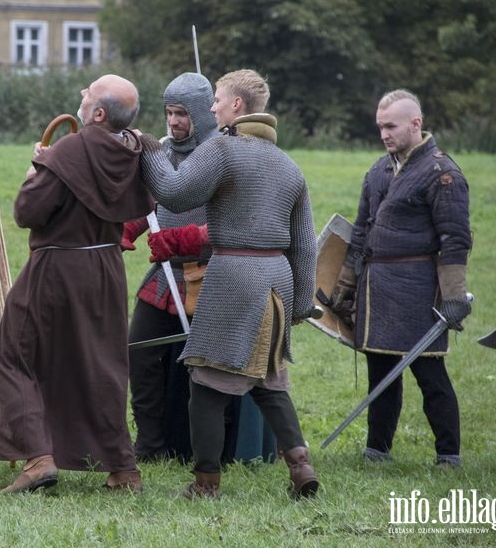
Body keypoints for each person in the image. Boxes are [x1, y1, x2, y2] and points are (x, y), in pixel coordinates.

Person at [140, 69, 320, 499]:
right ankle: (301, 467)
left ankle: (206, 483)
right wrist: (298, 303)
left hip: (234, 275)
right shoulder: (288, 164)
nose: (213, 108)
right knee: (270, 382)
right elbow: (305, 247)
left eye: (217, 100)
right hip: (276, 280)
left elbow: (174, 191)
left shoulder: (223, 148)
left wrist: (150, 152)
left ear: (237, 106)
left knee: (205, 385)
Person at [0, 74, 154, 493]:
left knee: (12, 355)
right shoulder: (135, 147)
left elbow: (28, 211)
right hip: (106, 269)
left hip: (57, 268)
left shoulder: (71, 149)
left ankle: (39, 458)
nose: (81, 94)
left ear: (98, 114)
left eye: (89, 93)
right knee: (102, 365)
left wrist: (36, 170)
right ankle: (123, 469)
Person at [124, 72, 275, 465]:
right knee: (139, 353)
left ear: (202, 114)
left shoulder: (224, 153)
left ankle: (203, 451)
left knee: (207, 372)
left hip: (214, 277)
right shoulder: (163, 154)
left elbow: (235, 222)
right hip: (165, 277)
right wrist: (126, 231)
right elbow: (153, 204)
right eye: (168, 112)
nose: (173, 122)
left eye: (181, 114)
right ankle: (151, 445)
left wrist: (185, 239)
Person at [328, 89, 472, 467]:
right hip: (377, 287)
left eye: (391, 126)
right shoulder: (377, 171)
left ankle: (448, 455)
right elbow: (360, 233)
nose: (384, 134)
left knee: (430, 374)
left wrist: (454, 296)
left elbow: (455, 239)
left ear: (415, 124)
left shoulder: (443, 174)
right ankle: (378, 450)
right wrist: (345, 286)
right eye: (380, 127)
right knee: (381, 373)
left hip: (419, 288)